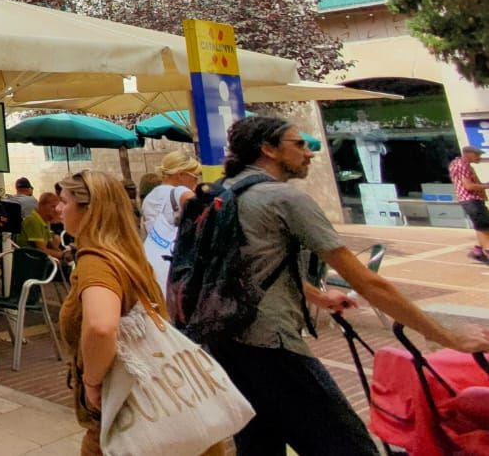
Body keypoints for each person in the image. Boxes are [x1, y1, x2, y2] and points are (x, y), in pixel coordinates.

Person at [208, 116, 489, 455]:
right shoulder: (282, 198)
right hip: (273, 345)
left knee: (259, 445)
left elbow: (239, 269)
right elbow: (368, 282)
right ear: (268, 149)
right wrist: (446, 336)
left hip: (225, 343)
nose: (309, 153)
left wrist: (317, 295)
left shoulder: (221, 192)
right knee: (348, 446)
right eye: (299, 145)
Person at [56, 170, 196, 456]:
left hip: (119, 405)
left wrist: (92, 381)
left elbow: (101, 326)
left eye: (64, 201)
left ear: (89, 210)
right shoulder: (128, 252)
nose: (58, 208)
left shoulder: (95, 260)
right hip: (150, 397)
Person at [140, 151, 202, 290]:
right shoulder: (180, 192)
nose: (196, 181)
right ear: (180, 174)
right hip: (177, 263)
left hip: (155, 262)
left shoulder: (150, 197)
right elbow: (203, 213)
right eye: (195, 176)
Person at [449, 145, 489, 265]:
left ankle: (479, 251)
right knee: (485, 227)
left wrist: (483, 185)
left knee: (481, 226)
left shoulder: (458, 164)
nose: (479, 157)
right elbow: (469, 186)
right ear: (468, 153)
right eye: (477, 155)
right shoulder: (462, 165)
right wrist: (486, 186)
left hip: (471, 200)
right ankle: (486, 251)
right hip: (471, 200)